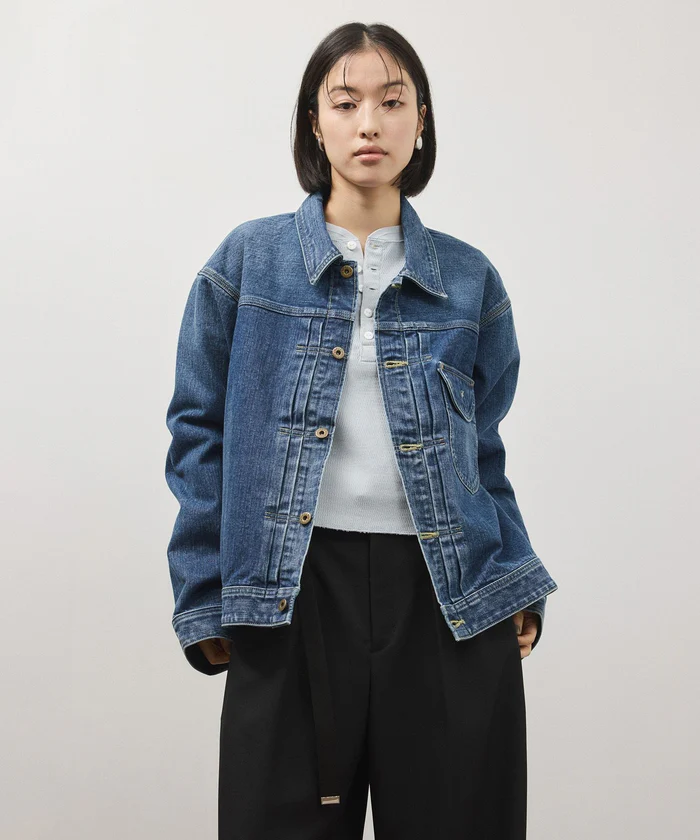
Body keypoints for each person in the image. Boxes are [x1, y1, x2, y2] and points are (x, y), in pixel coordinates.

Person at [164, 21, 558, 840]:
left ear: (422, 120)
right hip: (292, 591)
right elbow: (198, 433)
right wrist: (203, 594)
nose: (369, 123)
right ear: (315, 122)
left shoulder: (469, 279)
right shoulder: (247, 263)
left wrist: (512, 576)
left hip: (448, 596)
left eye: (392, 101)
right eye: (345, 103)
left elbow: (482, 450)